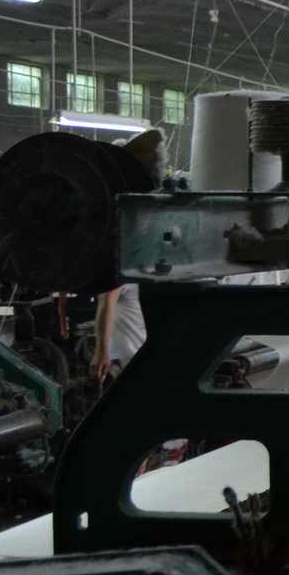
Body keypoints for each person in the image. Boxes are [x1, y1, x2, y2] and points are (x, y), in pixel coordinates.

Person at [93, 128, 165, 385]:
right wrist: (101, 351)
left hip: (135, 357)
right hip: (132, 359)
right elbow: (107, 300)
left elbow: (107, 300)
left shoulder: (132, 254)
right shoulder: (131, 255)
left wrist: (101, 351)